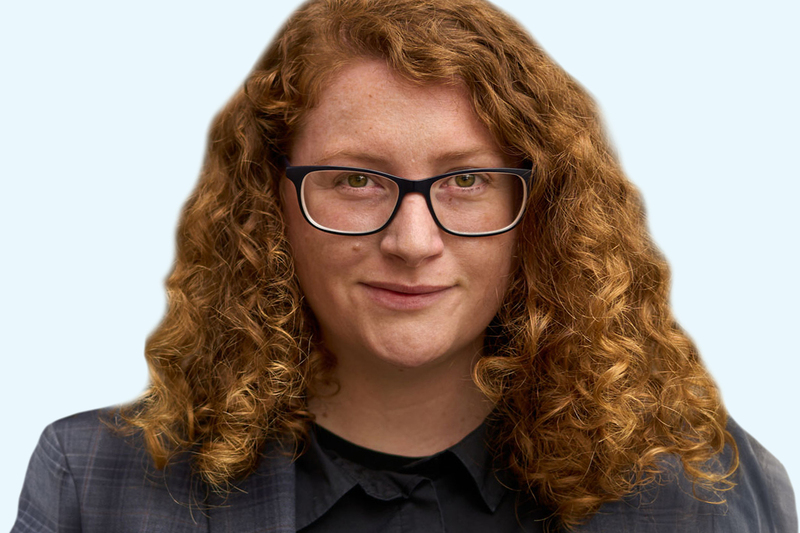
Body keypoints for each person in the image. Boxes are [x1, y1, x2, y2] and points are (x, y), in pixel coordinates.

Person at [12, 0, 796, 531]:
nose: (413, 240)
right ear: (267, 203)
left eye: (467, 180)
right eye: (356, 179)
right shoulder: (94, 482)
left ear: (542, 209)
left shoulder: (705, 488)